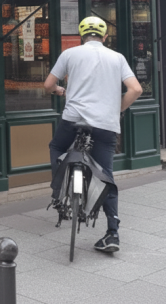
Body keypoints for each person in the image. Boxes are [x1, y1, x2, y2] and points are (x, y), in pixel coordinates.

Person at [44, 16, 142, 253]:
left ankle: (58, 192)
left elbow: (48, 85)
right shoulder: (117, 58)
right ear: (105, 37)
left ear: (82, 35)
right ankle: (112, 232)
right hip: (106, 125)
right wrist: (115, 109)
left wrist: (59, 90)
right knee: (106, 175)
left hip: (74, 119)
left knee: (57, 148)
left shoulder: (70, 54)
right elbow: (136, 89)